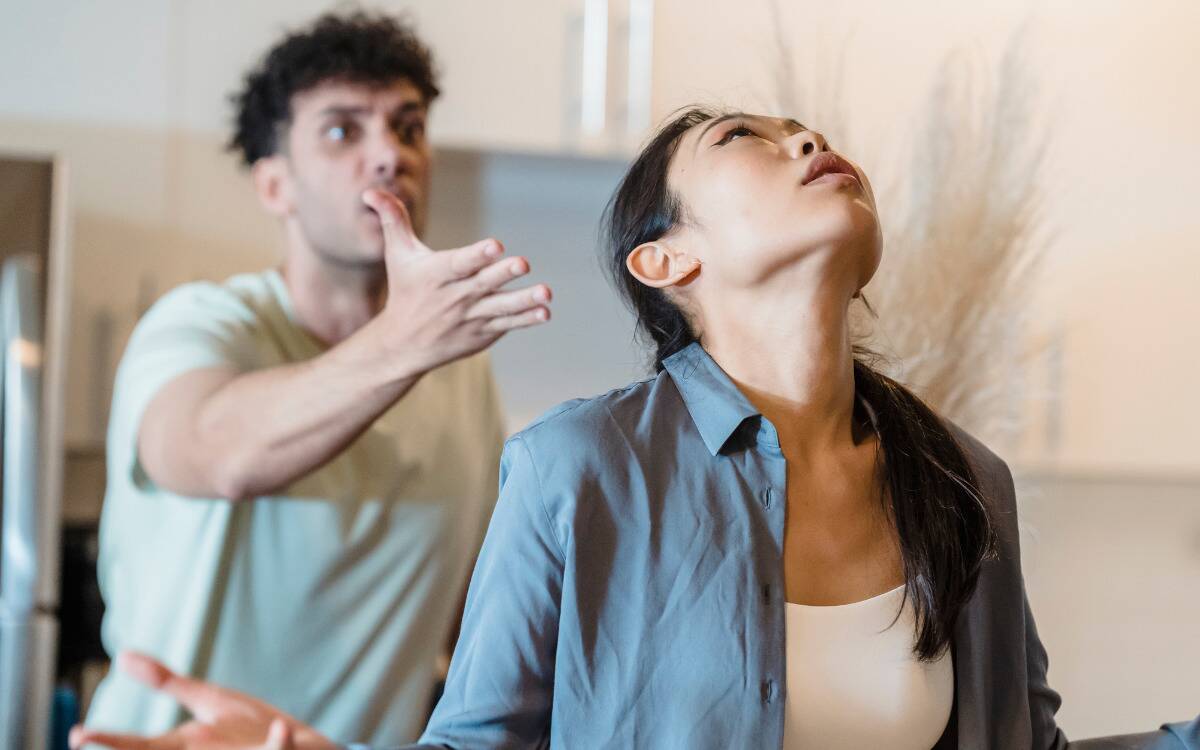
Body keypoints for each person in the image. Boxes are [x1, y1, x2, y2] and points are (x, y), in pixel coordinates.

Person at [72, 109, 1199, 750]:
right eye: (749, 139)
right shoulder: (578, 470)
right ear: (666, 262)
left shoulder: (965, 481)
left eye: (806, 131)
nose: (806, 140)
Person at [82, 11, 552, 747]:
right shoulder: (199, 325)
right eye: (342, 131)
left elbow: (478, 620)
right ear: (275, 185)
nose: (388, 155)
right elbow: (216, 450)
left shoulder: (457, 368)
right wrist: (405, 339)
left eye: (408, 127)